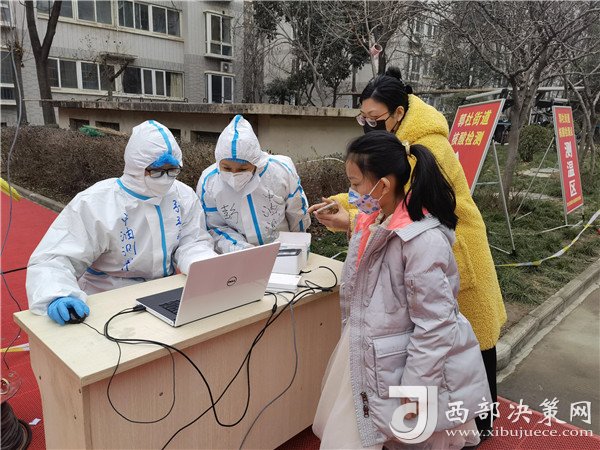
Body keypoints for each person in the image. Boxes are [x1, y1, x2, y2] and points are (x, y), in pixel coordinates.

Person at [309, 67, 506, 435]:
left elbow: (399, 207)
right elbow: (380, 193)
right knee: (448, 339)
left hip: (455, 247)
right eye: (363, 118)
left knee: (467, 341)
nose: (368, 125)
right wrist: (344, 203)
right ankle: (465, 419)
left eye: (374, 118)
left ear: (398, 113)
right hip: (434, 244)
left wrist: (352, 216)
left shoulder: (425, 147)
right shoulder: (400, 142)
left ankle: (476, 422)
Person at [27, 120, 217, 324]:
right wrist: (58, 293)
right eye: (157, 170)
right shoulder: (96, 202)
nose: (166, 178)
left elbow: (192, 241)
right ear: (137, 166)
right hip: (106, 296)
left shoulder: (182, 196)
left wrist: (205, 266)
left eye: (172, 169)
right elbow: (57, 257)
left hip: (163, 292)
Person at [196, 114, 310, 253]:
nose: (234, 174)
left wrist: (297, 245)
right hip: (238, 256)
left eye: (243, 169)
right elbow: (215, 226)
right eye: (226, 168)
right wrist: (240, 248)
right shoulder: (209, 182)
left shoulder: (279, 172)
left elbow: (296, 213)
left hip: (282, 250)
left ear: (256, 162)